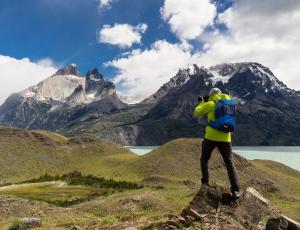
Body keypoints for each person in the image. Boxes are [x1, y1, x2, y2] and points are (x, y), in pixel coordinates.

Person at [193, 88, 241, 198]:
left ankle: (205, 183)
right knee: (229, 163)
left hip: (211, 137)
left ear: (211, 95)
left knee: (204, 159)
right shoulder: (230, 103)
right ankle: (236, 191)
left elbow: (197, 112)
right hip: (226, 138)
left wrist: (202, 102)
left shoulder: (211, 103)